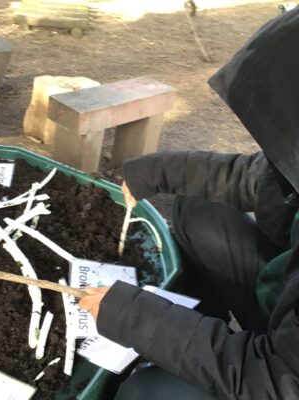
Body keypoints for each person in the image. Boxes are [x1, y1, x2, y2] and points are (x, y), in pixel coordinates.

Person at [79, 7, 299, 400]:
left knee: (147, 391)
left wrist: (137, 318)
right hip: (283, 303)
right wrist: (154, 171)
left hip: (277, 374)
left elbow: (273, 381)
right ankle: (200, 320)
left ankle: (192, 355)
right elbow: (255, 178)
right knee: (198, 208)